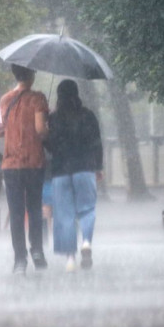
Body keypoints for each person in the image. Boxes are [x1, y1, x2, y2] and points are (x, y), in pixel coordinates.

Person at [44, 79, 103, 272]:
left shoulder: (53, 119)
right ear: (76, 94)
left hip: (61, 171)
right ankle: (86, 241)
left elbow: (50, 146)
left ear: (59, 96)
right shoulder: (88, 116)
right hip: (85, 168)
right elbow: (96, 143)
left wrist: (47, 131)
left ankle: (70, 258)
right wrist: (98, 167)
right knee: (87, 209)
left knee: (64, 215)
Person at [0, 63, 49, 274]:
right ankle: (37, 250)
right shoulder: (38, 98)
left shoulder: (5, 100)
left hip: (10, 164)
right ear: (31, 75)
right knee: (34, 209)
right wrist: (47, 129)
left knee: (17, 212)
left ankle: (20, 259)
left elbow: (6, 126)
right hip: (33, 162)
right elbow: (40, 130)